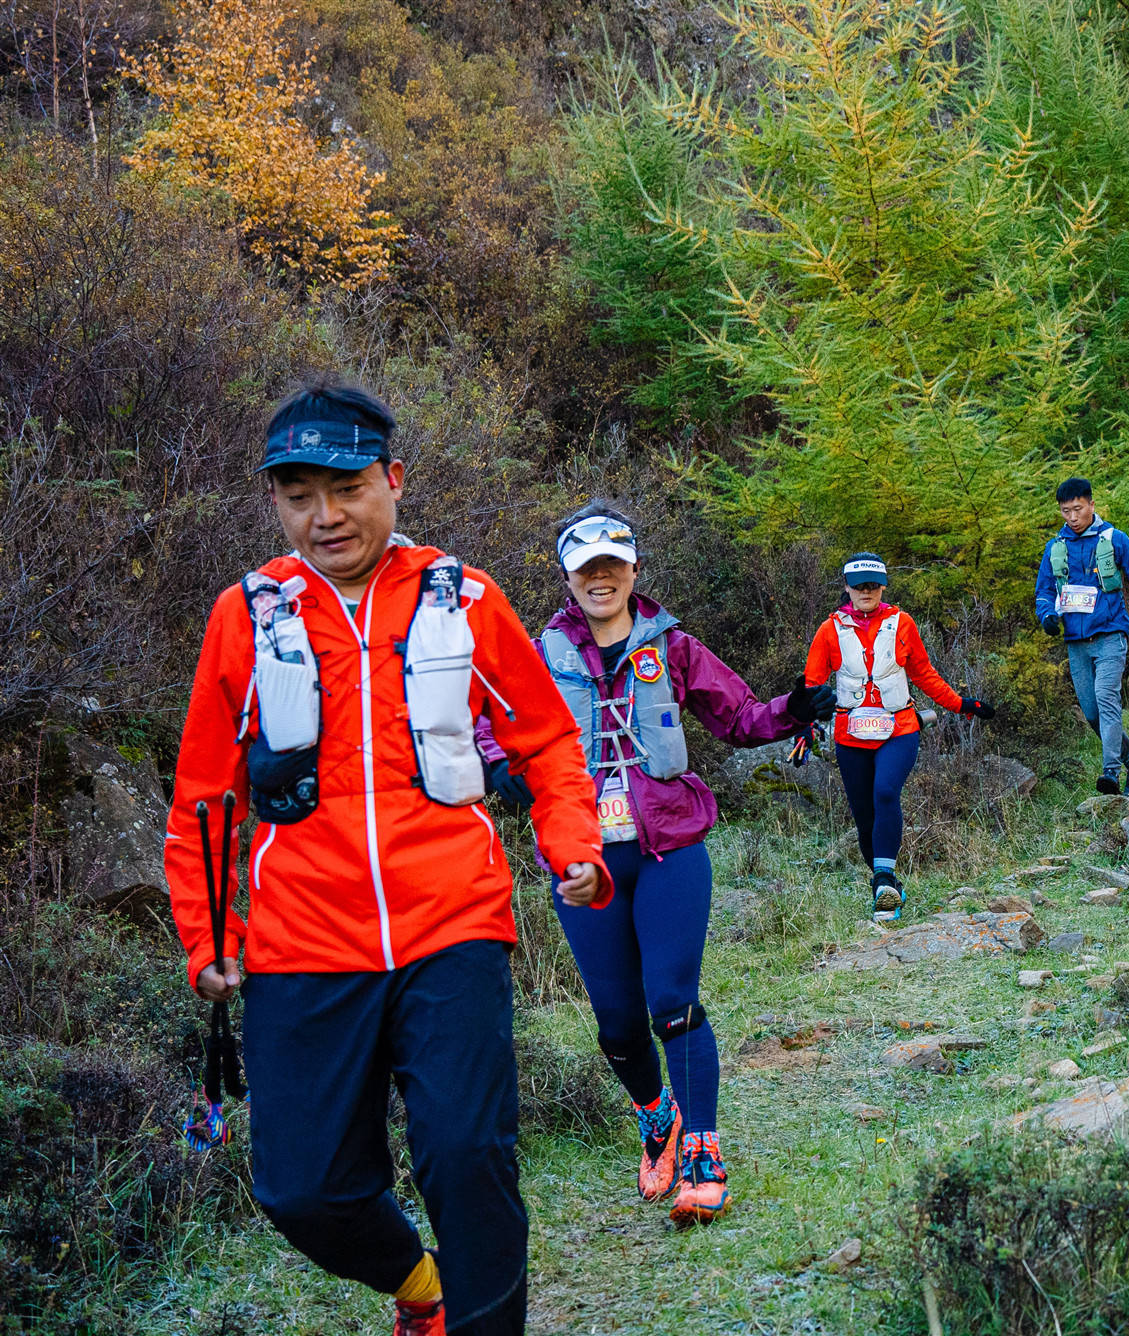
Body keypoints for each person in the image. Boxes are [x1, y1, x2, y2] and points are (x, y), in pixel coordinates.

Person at [164, 379, 609, 1336]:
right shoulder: (244, 618)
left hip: (452, 925)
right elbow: (205, 798)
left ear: (393, 480)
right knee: (302, 1188)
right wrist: (209, 935)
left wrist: (568, 841)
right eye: (297, 494)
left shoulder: (468, 600)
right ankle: (422, 1289)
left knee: (468, 1160)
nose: (323, 516)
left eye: (346, 487)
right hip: (301, 942)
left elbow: (545, 740)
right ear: (276, 500)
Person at [494, 504, 835, 1226]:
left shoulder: (672, 647)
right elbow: (493, 732)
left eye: (613, 563)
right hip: (583, 859)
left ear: (634, 569)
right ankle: (657, 1118)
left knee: (673, 1003)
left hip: (672, 848)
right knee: (618, 1026)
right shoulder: (537, 654)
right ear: (567, 576)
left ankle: (704, 1156)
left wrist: (797, 707)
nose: (601, 577)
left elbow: (740, 718)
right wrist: (505, 772)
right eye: (587, 567)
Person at [805, 555, 994, 920]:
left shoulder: (901, 623)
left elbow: (924, 674)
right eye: (859, 585)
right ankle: (883, 882)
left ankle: (886, 882)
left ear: (883, 587)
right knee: (864, 815)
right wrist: (805, 723)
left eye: (873, 585)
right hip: (850, 734)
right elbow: (812, 682)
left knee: (886, 792)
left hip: (900, 728)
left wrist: (961, 704)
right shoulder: (830, 630)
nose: (866, 591)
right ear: (846, 587)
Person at [1035, 478, 1129, 796]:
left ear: (1092, 504)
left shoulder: (1114, 539)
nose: (1073, 517)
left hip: (1110, 635)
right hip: (1076, 643)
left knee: (1107, 700)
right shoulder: (1055, 548)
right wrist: (1047, 616)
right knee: (1091, 713)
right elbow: (1044, 592)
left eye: (1078, 509)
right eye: (1066, 511)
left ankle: (1111, 772)